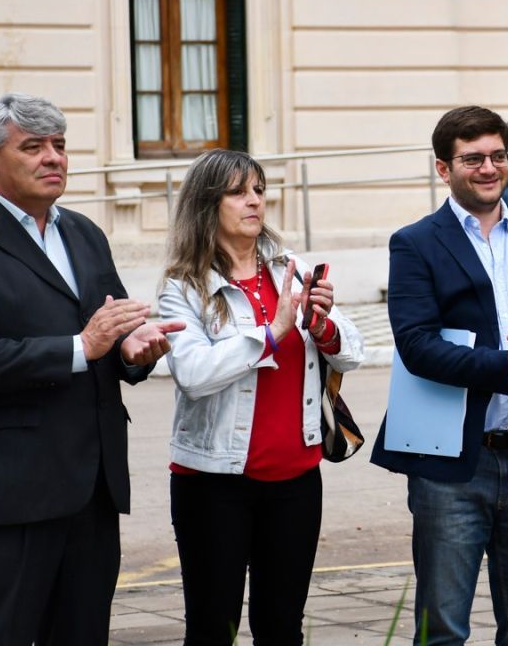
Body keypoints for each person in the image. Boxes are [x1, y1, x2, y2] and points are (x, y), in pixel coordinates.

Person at [0, 92, 183, 646]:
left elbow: (115, 329)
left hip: (91, 493)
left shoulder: (83, 232)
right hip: (4, 497)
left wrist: (135, 349)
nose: (53, 158)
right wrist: (82, 347)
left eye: (59, 145)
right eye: (32, 147)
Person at [370, 105, 508, 645]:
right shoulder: (415, 243)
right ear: (443, 168)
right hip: (451, 466)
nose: (488, 168)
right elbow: (417, 344)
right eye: (472, 158)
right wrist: (507, 367)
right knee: (443, 631)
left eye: (498, 156)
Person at [158, 149, 364, 645]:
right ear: (207, 205)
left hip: (296, 479)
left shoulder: (291, 267)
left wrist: (322, 324)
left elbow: (352, 350)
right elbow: (193, 371)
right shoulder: (182, 286)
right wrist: (271, 333)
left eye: (259, 190)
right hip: (214, 484)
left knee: (281, 627)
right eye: (238, 192)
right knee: (212, 628)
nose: (254, 202)